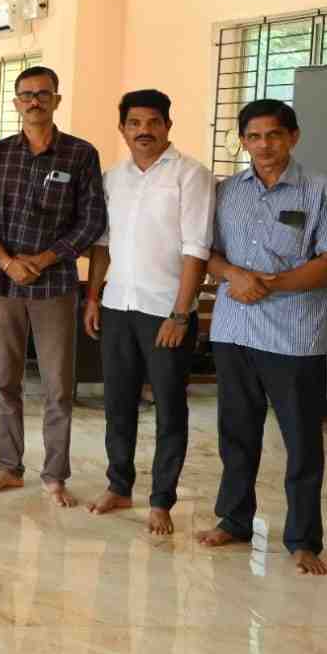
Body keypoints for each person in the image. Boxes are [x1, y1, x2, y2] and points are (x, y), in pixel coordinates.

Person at [197, 99, 327, 576]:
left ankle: (303, 540)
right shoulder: (226, 191)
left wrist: (271, 284)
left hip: (294, 337)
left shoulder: (320, 190)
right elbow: (207, 253)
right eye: (254, 136)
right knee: (236, 433)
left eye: (274, 135)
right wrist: (233, 275)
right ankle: (234, 519)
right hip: (234, 331)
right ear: (243, 141)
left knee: (301, 442)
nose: (264, 145)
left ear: (293, 137)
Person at [0, 65, 107, 507]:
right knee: (3, 379)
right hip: (4, 283)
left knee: (58, 386)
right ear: (16, 102)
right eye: (27, 94)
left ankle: (55, 475)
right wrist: (6, 261)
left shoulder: (80, 155)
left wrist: (45, 259)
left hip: (55, 286)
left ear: (56, 100)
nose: (35, 101)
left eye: (43, 94)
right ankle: (8, 467)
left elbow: (91, 220)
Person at [83, 90, 214, 534]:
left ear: (168, 126)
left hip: (165, 312)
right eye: (135, 123)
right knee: (117, 404)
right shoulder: (113, 178)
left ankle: (161, 500)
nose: (144, 131)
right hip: (118, 305)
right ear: (122, 129)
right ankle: (119, 486)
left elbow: (197, 250)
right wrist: (94, 296)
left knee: (169, 408)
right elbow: (103, 245)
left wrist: (180, 314)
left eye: (153, 122)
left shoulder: (190, 175)